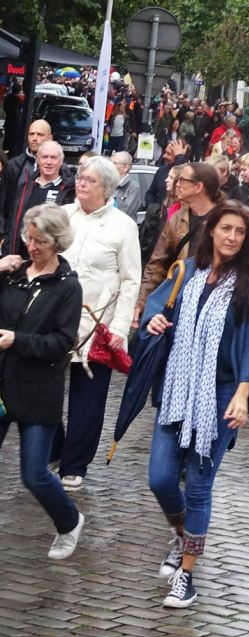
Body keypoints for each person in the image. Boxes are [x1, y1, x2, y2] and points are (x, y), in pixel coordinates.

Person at [140, 200, 249, 607]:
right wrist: (153, 321)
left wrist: (243, 395)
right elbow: (154, 310)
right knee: (160, 479)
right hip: (177, 390)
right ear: (211, 230)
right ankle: (183, 537)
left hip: (220, 395)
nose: (232, 237)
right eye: (225, 228)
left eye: (240, 232)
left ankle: (187, 575)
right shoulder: (187, 272)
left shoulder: (248, 285)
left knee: (198, 488)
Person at [0, 205, 85, 560]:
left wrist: (16, 340)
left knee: (34, 474)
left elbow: (62, 342)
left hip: (38, 390)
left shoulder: (68, 287)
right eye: (28, 238)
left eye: (40, 241)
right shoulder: (12, 275)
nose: (31, 247)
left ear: (57, 242)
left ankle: (69, 522)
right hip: (3, 384)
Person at [57, 157, 141, 488]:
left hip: (98, 324)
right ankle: (54, 448)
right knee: (41, 390)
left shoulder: (124, 226)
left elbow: (130, 280)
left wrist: (119, 327)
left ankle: (74, 464)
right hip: (57, 320)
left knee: (88, 399)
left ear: (106, 188)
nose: (81, 183)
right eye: (80, 177)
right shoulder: (64, 215)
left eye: (89, 180)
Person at [135, 163, 222, 324]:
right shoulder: (177, 218)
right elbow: (157, 264)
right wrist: (142, 302)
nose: (177, 184)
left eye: (182, 180)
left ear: (198, 187)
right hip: (179, 301)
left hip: (213, 304)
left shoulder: (225, 220)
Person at [5, 139, 75, 257]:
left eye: (53, 158)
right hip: (20, 256)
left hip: (50, 258)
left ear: (61, 161)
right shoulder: (25, 186)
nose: (49, 162)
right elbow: (12, 218)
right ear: (38, 160)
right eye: (45, 157)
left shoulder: (69, 190)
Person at [2, 119, 53, 254]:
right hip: (13, 240)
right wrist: (2, 236)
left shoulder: (60, 169)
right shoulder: (15, 165)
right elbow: (3, 203)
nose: (35, 138)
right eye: (31, 134)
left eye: (39, 134)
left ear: (50, 138)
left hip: (44, 241)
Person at [111, 151, 142, 220]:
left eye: (114, 163)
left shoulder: (133, 187)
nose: (110, 166)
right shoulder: (107, 183)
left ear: (126, 168)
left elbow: (125, 213)